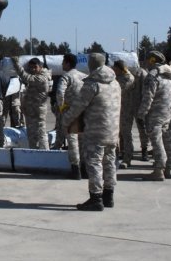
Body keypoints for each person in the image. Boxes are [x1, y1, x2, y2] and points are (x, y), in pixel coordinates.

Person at [62, 53, 121, 211]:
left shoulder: (92, 84)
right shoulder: (115, 83)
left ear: (91, 64)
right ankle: (109, 196)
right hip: (113, 130)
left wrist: (65, 120)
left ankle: (96, 198)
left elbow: (77, 107)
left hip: (96, 130)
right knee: (109, 163)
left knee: (94, 163)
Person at [137, 51, 171, 181]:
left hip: (154, 114)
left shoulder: (153, 75)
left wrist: (141, 114)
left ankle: (158, 170)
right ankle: (168, 167)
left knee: (157, 143)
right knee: (167, 141)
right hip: (167, 112)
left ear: (152, 61)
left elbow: (148, 97)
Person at [54, 53, 87, 179]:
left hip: (70, 112)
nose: (62, 65)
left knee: (72, 141)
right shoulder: (84, 76)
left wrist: (62, 108)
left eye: (63, 62)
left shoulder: (66, 77)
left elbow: (59, 93)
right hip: (83, 112)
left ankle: (75, 169)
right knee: (83, 141)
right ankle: (85, 169)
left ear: (68, 63)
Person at [15, 57, 52, 150]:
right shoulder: (35, 74)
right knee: (31, 135)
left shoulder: (43, 77)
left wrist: (16, 64)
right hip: (30, 110)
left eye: (35, 67)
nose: (33, 69)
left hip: (38, 111)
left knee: (41, 134)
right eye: (31, 67)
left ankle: (46, 154)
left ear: (40, 67)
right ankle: (33, 154)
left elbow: (27, 78)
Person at [112, 60, 135, 168]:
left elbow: (119, 91)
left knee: (126, 134)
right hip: (118, 109)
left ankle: (128, 158)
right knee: (119, 134)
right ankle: (121, 154)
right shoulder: (119, 77)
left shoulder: (128, 78)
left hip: (126, 110)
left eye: (115, 68)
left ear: (120, 68)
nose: (113, 70)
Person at [130, 65, 150, 161]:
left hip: (139, 106)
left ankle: (144, 151)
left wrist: (144, 109)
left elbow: (146, 92)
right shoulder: (122, 73)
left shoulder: (142, 73)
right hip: (126, 106)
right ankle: (127, 152)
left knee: (142, 130)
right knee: (124, 131)